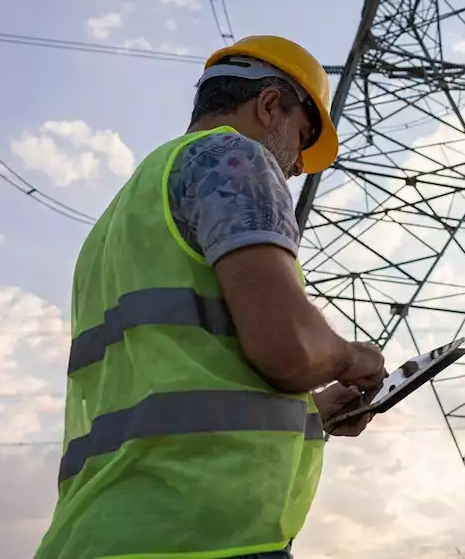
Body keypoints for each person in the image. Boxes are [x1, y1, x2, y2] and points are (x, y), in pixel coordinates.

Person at [34, 35, 389, 559]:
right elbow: (289, 349)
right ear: (269, 105)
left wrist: (310, 412)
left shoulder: (124, 214)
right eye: (300, 136)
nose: (296, 167)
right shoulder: (233, 158)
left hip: (105, 532)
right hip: (202, 535)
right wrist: (352, 356)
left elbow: (176, 379)